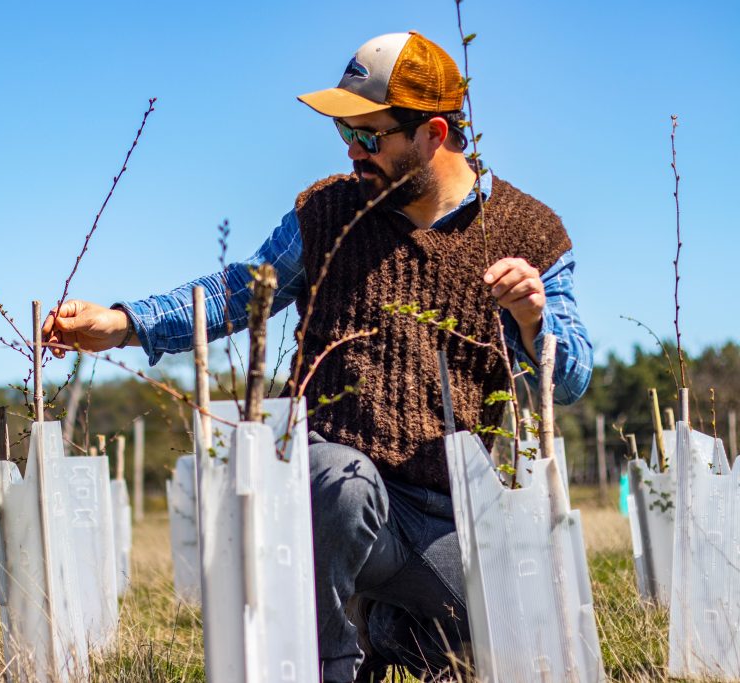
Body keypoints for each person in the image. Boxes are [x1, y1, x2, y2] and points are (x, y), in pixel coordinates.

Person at [42, 31, 592, 683]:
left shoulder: (528, 231)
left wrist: (533, 318)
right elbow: (238, 288)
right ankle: (330, 665)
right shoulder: (329, 212)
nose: (355, 153)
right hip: (346, 484)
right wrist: (123, 322)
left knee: (499, 639)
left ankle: (393, 625)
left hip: (456, 513)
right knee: (338, 483)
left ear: (432, 133)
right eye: (344, 135)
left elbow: (576, 373)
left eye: (370, 136)